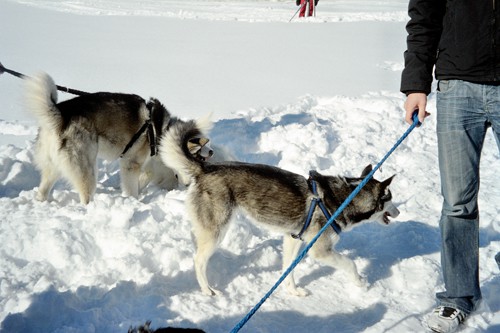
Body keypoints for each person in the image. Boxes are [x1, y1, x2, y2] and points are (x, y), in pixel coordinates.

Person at [400, 0, 500, 332]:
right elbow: (424, 18)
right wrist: (416, 84)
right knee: (457, 202)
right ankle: (458, 296)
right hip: (458, 86)